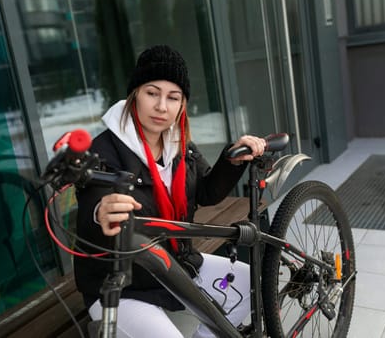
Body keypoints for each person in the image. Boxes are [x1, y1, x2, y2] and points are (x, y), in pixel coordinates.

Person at [74, 45, 266, 338]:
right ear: (135, 94)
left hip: (175, 269)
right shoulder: (104, 150)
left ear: (182, 105)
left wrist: (231, 160)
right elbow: (92, 203)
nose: (162, 106)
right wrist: (100, 212)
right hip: (123, 287)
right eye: (152, 93)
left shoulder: (179, 144)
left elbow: (206, 192)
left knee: (250, 283)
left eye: (173, 97)